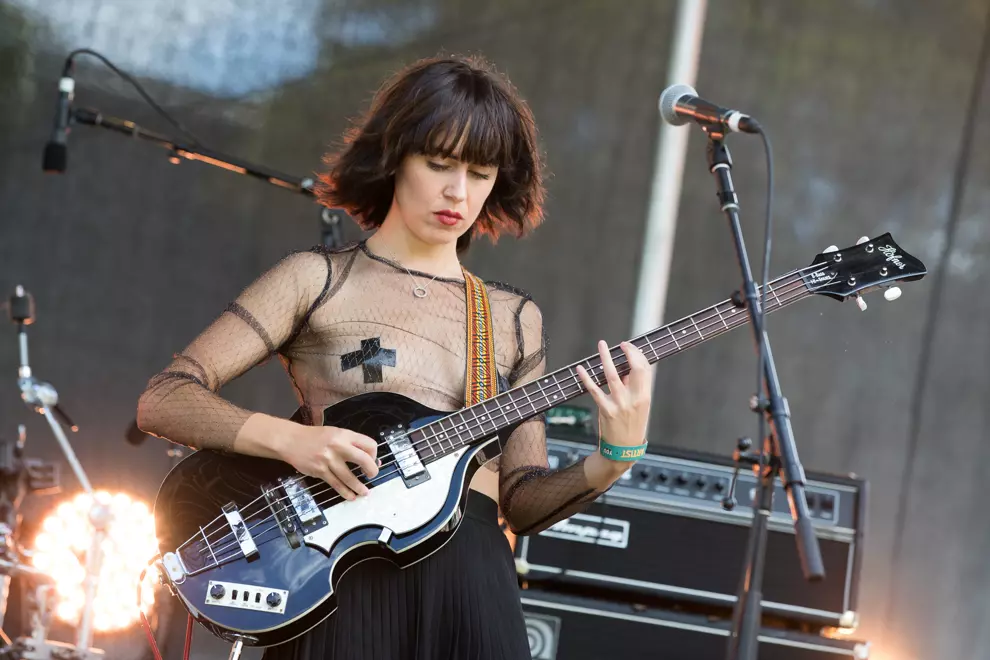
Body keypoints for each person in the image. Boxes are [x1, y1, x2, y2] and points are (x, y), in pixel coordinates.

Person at [137, 54, 653, 660]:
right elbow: (164, 397)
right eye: (439, 164)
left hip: (472, 588)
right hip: (342, 574)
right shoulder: (316, 279)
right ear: (395, 155)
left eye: (481, 173)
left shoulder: (513, 318)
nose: (459, 192)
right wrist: (292, 441)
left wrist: (615, 457)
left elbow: (519, 500)